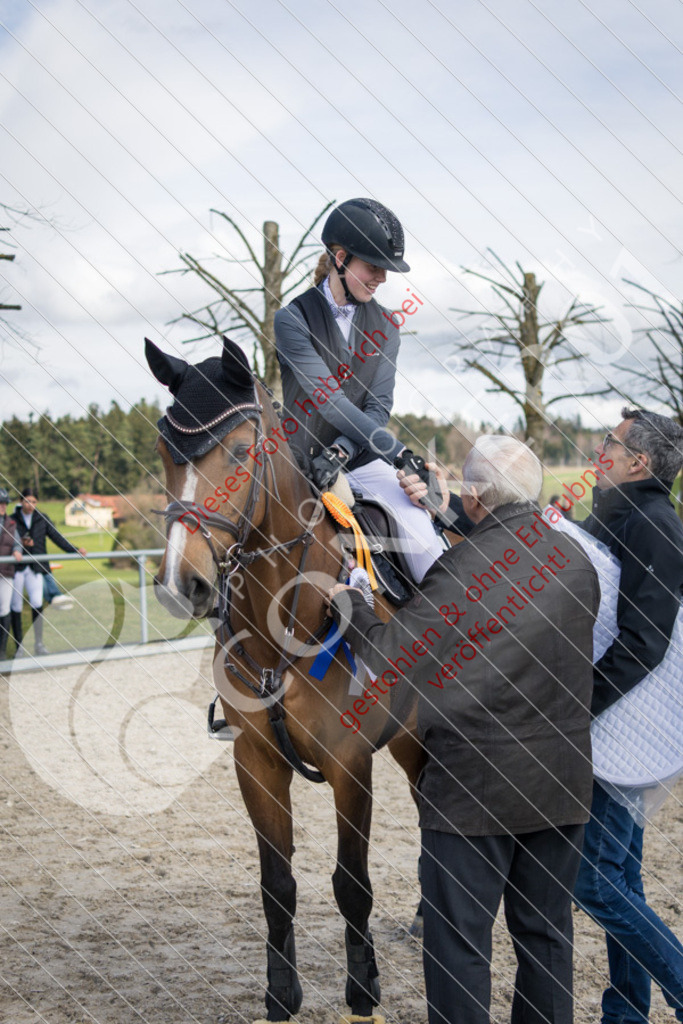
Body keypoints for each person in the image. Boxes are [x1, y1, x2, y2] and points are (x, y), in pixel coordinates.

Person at [327, 435, 600, 1024]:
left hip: (474, 791)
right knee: (547, 939)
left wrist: (355, 602)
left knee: (459, 947)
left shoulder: (463, 568)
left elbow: (391, 655)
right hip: (563, 784)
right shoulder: (576, 561)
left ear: (474, 496)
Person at [573, 408, 683, 1024]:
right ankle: (626, 1011)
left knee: (594, 882)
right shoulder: (619, 517)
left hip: (626, 733)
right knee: (622, 877)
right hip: (616, 727)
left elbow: (645, 643)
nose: (599, 453)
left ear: (640, 462)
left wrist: (577, 706)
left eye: (610, 446)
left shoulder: (655, 526)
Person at [274, 197, 444, 582]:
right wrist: (398, 452)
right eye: (373, 267)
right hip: (299, 465)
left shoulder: (386, 326)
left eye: (385, 270)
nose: (381, 278)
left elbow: (379, 406)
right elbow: (329, 402)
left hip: (364, 463)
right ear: (339, 257)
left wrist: (343, 449)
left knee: (425, 542)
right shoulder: (291, 320)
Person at [11, 487, 86, 656]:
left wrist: (74, 550)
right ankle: (19, 647)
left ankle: (38, 643)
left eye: (34, 501)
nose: (30, 505)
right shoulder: (13, 519)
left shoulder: (42, 519)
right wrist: (21, 544)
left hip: (37, 567)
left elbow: (57, 538)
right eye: (27, 501)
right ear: (21, 501)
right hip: (18, 567)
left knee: (37, 604)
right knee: (15, 606)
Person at [0, 487, 22, 661]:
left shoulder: (11, 524)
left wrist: (17, 550)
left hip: (6, 572)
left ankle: (2, 651)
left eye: (4, 503)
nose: (3, 507)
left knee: (4, 610)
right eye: (0, 503)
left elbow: (17, 543)